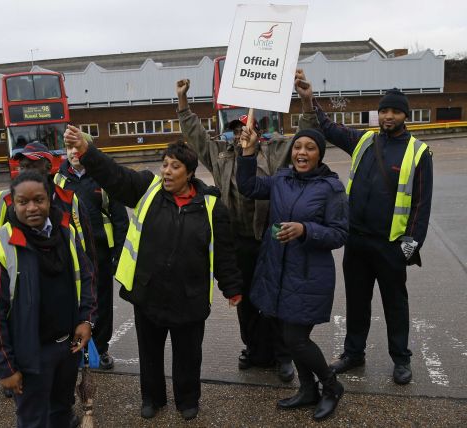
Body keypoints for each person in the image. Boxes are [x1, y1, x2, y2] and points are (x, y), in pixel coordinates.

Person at [63, 126, 243, 421]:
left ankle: (187, 400)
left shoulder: (211, 207)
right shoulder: (148, 189)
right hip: (149, 292)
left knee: (188, 355)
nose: (167, 172)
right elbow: (116, 176)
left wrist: (232, 288)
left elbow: (224, 253)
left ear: (190, 173)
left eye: (175, 166)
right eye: (165, 165)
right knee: (149, 353)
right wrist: (87, 151)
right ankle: (152, 397)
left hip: (190, 296)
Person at [176, 78, 320, 381]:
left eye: (249, 127)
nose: (245, 133)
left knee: (275, 299)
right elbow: (196, 136)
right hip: (237, 241)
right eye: (240, 129)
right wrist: (183, 103)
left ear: (259, 129)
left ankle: (283, 356)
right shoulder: (221, 153)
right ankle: (254, 350)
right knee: (245, 301)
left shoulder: (278, 151)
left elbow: (309, 137)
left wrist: (306, 102)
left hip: (271, 238)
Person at [296, 69, 433, 385]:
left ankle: (401, 360)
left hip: (391, 244)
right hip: (356, 240)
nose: (388, 116)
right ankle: (353, 354)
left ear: (404, 115)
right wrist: (309, 100)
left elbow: (422, 203)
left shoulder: (418, 152)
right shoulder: (364, 140)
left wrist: (412, 243)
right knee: (357, 301)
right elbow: (327, 128)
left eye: (395, 111)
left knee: (395, 305)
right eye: (384, 110)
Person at [237, 126, 349, 421]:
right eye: (298, 146)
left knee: (296, 338)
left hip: (309, 274)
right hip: (278, 270)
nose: (301, 152)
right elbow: (247, 187)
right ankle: (308, 390)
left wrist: (305, 230)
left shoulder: (332, 188)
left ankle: (331, 386)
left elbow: (339, 234)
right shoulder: (282, 178)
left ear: (319, 154)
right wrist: (248, 153)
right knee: (289, 337)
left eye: (310, 147)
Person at [0, 171, 97, 427]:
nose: (32, 208)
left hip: (67, 349)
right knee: (33, 419)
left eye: (39, 200)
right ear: (13, 202)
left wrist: (86, 320)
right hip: (31, 355)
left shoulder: (66, 233)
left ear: (50, 199)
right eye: (23, 201)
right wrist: (4, 367)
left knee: (62, 411)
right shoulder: (0, 245)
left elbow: (86, 278)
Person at [54, 139, 129, 370]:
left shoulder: (102, 177)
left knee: (102, 302)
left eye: (79, 148)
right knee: (74, 302)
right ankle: (78, 348)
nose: (74, 153)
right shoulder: (58, 179)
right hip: (72, 254)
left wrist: (118, 254)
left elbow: (119, 218)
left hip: (101, 253)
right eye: (69, 149)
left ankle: (102, 348)